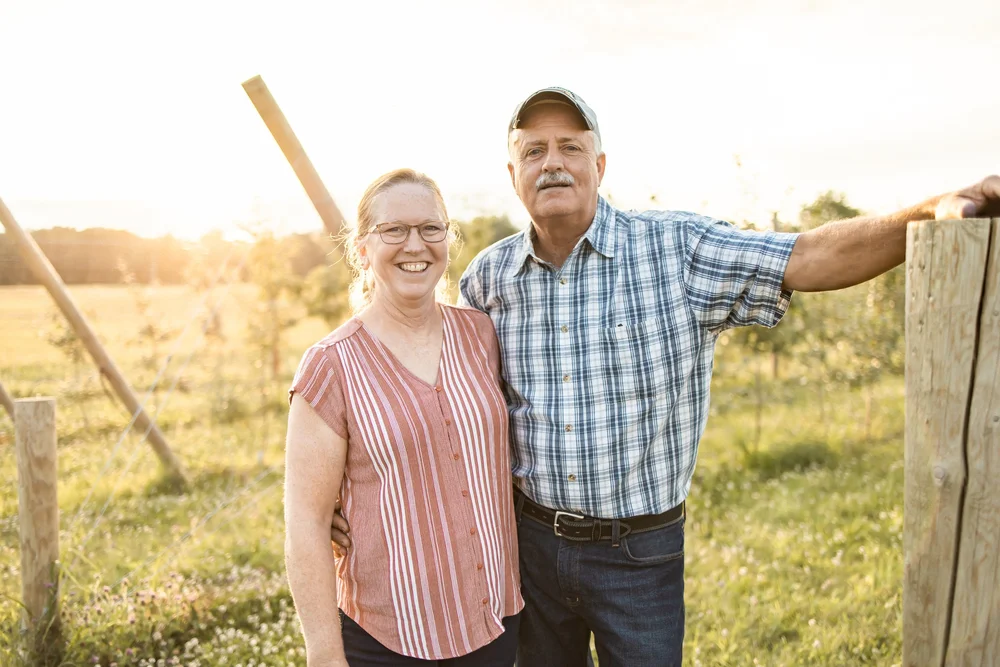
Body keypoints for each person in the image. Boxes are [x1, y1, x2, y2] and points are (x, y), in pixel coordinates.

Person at [330, 89, 1000, 667]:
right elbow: (441, 403)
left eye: (570, 146)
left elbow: (809, 255)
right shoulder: (488, 279)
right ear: (513, 174)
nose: (552, 162)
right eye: (533, 151)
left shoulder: (676, 249)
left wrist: (930, 208)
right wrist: (348, 483)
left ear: (600, 164)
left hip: (639, 553)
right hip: (528, 544)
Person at [284, 168, 523, 667]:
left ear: (448, 239)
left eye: (430, 229)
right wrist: (325, 654)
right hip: (391, 638)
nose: (415, 244)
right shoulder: (332, 364)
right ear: (363, 248)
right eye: (394, 230)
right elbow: (306, 522)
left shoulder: (481, 335)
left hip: (495, 618)